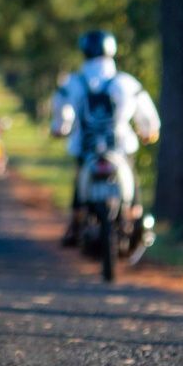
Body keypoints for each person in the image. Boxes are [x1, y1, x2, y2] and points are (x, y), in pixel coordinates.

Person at [49, 30, 159, 246]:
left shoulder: (73, 83)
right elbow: (147, 117)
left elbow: (61, 114)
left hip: (86, 149)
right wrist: (149, 132)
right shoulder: (125, 82)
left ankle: (75, 224)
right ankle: (136, 219)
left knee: (79, 186)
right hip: (120, 148)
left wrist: (59, 129)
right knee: (132, 183)